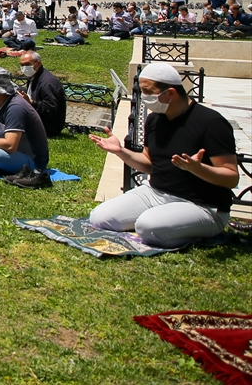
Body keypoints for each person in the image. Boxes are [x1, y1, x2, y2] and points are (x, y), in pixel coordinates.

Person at [88, 63, 237, 248]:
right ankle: (168, 227)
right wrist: (120, 151)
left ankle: (196, 233)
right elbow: (149, 164)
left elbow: (231, 178)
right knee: (99, 218)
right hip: (156, 193)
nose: (144, 97)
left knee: (146, 227)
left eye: (148, 91)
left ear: (171, 93)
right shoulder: (155, 119)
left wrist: (198, 169)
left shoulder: (211, 123)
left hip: (203, 206)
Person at [18, 51, 66, 137]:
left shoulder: (47, 83)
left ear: (38, 63)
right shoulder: (34, 76)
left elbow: (50, 110)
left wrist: (31, 103)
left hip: (49, 126)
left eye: (27, 64)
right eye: (22, 65)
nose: (24, 68)